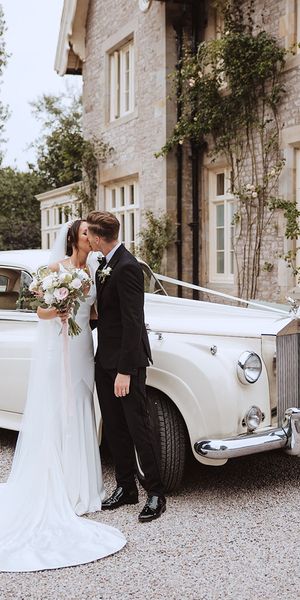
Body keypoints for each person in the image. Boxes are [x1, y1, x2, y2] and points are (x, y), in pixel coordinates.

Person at [0, 220, 126, 572]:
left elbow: (99, 311)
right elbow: (39, 310)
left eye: (92, 232)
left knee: (82, 405)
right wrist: (59, 308)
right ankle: (61, 485)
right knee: (59, 407)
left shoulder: (98, 268)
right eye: (86, 232)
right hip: (60, 347)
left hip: (84, 345)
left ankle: (84, 485)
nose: (91, 236)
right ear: (74, 238)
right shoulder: (56, 269)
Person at [87, 211, 166, 523]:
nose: (88, 239)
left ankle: (156, 493)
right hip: (103, 358)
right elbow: (108, 315)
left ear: (98, 236)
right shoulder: (105, 264)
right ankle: (125, 487)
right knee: (115, 426)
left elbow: (134, 324)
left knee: (138, 426)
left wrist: (125, 371)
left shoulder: (128, 267)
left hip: (125, 363)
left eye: (90, 235)